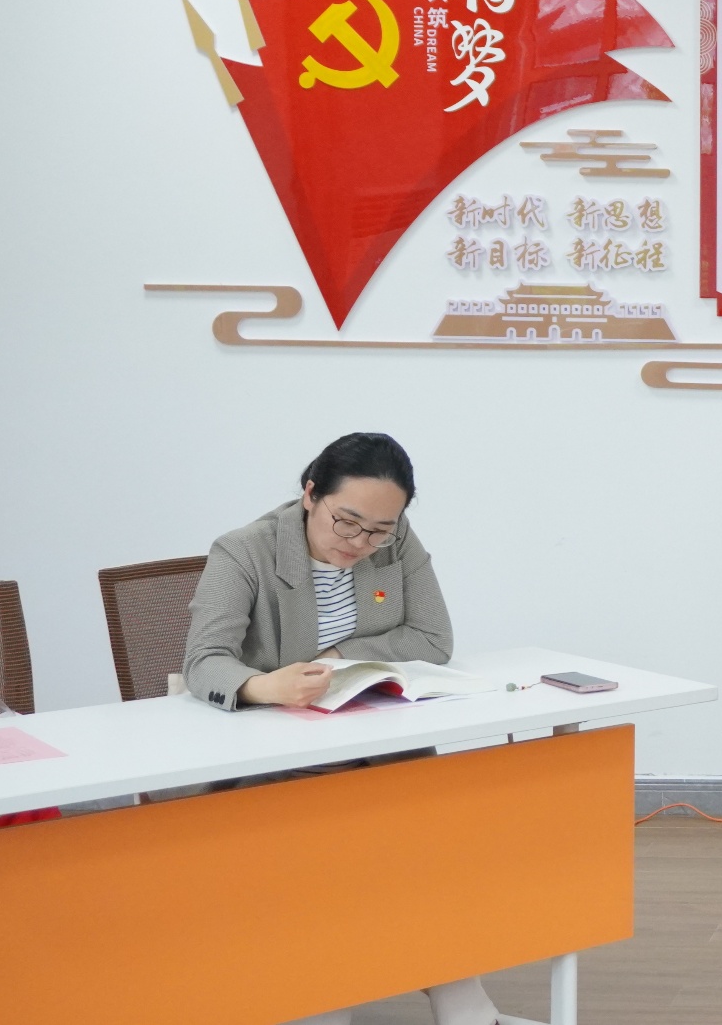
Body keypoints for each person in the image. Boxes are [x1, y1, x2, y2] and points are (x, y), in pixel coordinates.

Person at [184, 433, 538, 1025]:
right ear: (310, 494)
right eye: (346, 522)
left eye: (378, 531)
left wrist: (341, 657)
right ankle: (330, 1001)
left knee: (442, 837)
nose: (359, 543)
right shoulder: (244, 551)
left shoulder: (396, 543)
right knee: (339, 848)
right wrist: (264, 686)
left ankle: (462, 1003)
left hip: (380, 753)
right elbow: (204, 660)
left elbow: (433, 638)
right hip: (276, 766)